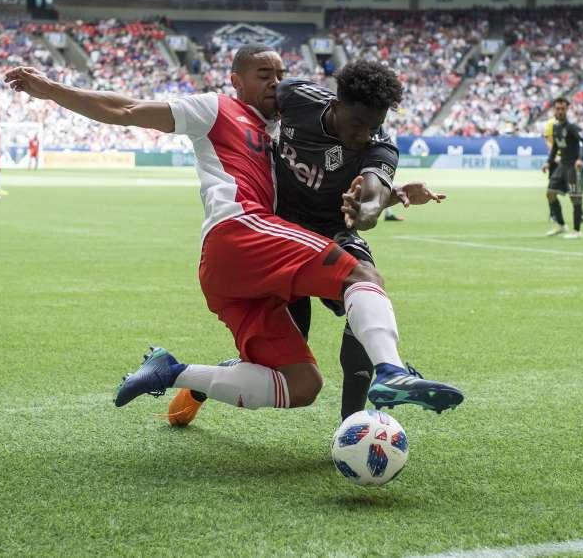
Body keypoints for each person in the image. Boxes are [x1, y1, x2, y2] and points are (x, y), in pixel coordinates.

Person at [4, 48, 463, 416]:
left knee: (301, 381)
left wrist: (385, 196)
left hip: (262, 256)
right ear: (236, 80)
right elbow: (125, 108)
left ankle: (174, 373)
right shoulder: (219, 107)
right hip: (249, 232)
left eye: (280, 73)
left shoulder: (282, 126)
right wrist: (51, 90)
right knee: (359, 278)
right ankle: (391, 373)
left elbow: (352, 185)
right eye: (264, 75)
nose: (276, 83)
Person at [165, 74, 447, 427]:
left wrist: (364, 210)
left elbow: (373, 200)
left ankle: (356, 421)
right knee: (281, 363)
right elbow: (258, 114)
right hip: (280, 232)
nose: (363, 135)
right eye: (357, 123)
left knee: (366, 286)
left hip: (334, 231)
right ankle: (198, 386)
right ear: (336, 104)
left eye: (373, 126)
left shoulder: (380, 146)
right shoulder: (296, 97)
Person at [544, 97, 583, 239]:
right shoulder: (555, 127)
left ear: (567, 110)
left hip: (573, 166)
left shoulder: (572, 127)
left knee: (575, 198)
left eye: (563, 109)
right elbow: (555, 147)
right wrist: (548, 162)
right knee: (550, 193)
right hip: (562, 165)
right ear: (554, 110)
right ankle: (561, 225)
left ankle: (577, 231)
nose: (560, 111)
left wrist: (581, 159)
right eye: (558, 109)